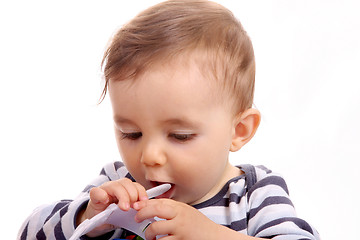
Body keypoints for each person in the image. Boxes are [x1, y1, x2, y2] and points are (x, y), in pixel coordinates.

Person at [18, 0, 320, 239]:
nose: (149, 156)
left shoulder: (254, 194)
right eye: (131, 133)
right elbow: (28, 233)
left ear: (239, 130)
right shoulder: (118, 186)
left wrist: (211, 235)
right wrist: (89, 218)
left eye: (180, 135)